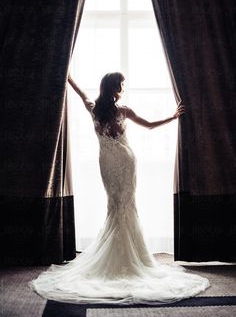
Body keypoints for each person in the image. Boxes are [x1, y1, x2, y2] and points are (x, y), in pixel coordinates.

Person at [29, 72, 210, 304]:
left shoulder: (93, 108)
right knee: (123, 205)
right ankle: (129, 257)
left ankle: (122, 254)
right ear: (115, 88)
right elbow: (149, 126)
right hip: (125, 161)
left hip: (107, 162)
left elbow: (81, 93)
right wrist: (172, 117)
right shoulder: (123, 111)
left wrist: (69, 77)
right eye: (121, 84)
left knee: (117, 206)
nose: (123, 87)